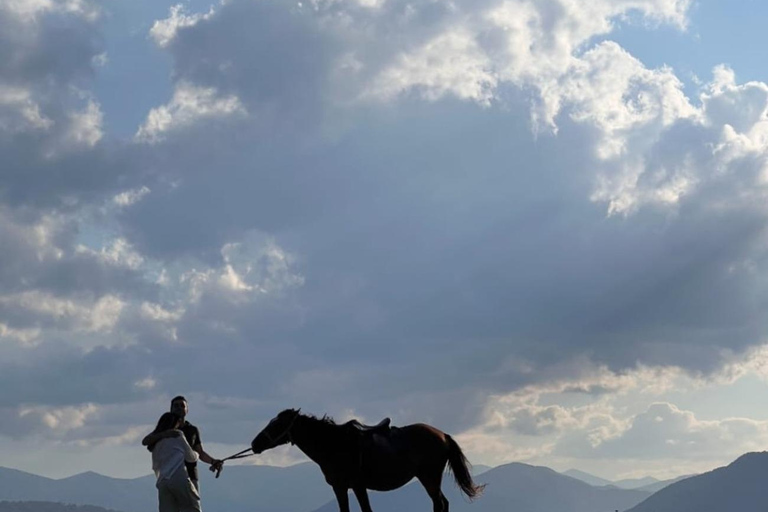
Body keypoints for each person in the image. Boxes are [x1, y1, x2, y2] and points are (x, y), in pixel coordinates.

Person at [143, 396, 223, 491]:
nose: (179, 408)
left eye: (182, 406)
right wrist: (165, 434)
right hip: (170, 475)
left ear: (187, 410)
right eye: (176, 406)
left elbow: (200, 452)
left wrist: (213, 461)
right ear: (171, 409)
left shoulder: (192, 430)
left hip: (190, 475)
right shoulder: (164, 428)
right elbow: (146, 441)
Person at [148, 412, 201, 512]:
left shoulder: (156, 441)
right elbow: (191, 457)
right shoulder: (177, 435)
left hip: (162, 481)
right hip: (179, 478)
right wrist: (197, 453)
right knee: (192, 507)